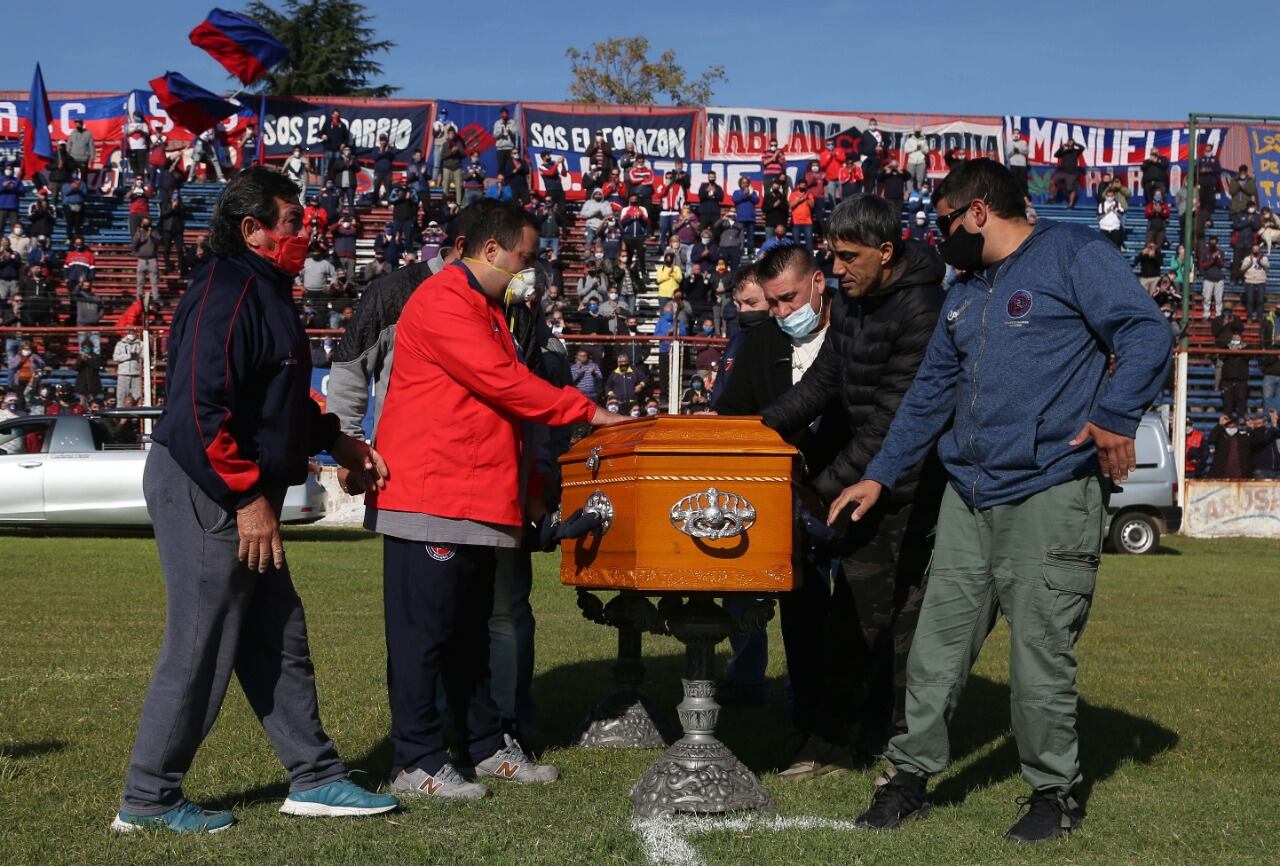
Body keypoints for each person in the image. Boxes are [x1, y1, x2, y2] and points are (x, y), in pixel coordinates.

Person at [830, 159, 1172, 843]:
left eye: (946, 220)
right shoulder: (965, 287)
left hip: (1049, 488)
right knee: (935, 649)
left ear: (979, 211)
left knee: (1039, 656)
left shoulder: (1074, 253)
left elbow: (1145, 331)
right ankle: (907, 779)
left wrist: (1113, 413)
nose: (940, 234)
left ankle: (1054, 794)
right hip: (968, 494)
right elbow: (929, 393)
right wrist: (879, 473)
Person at [113, 167, 398, 833]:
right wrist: (246, 497)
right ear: (253, 229)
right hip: (207, 487)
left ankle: (317, 777)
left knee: (277, 632)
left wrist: (337, 441)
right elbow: (201, 406)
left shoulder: (261, 289)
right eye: (293, 222)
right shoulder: (228, 291)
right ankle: (148, 797)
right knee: (202, 640)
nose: (305, 233)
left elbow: (272, 397)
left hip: (234, 487)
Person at [362, 201, 626, 799]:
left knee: (469, 638)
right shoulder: (442, 303)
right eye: (524, 259)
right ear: (489, 250)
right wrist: (588, 411)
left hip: (477, 499)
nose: (529, 270)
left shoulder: (489, 310)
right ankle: (416, 761)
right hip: (435, 495)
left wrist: (529, 492)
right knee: (423, 639)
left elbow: (507, 408)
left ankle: (481, 747)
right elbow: (506, 385)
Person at [761, 197, 947, 770]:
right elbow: (825, 381)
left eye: (848, 257)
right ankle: (852, 737)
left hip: (907, 485)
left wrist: (824, 487)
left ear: (886, 252)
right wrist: (758, 433)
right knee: (858, 621)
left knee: (886, 627)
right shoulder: (855, 298)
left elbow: (896, 419)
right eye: (833, 257)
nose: (837, 270)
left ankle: (871, 741)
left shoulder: (923, 309)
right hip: (866, 476)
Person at [132, 218, 160, 307]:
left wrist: (151, 235)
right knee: (140, 282)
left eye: (147, 223)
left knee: (154, 282)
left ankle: (156, 299)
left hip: (152, 259)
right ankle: (139, 298)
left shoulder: (154, 232)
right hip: (142, 260)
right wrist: (141, 235)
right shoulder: (138, 232)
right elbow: (134, 244)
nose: (146, 225)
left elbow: (158, 242)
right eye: (144, 223)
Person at [1051, 138, 1085, 208]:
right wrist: (1062, 147)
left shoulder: (1076, 151)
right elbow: (1056, 155)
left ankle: (1070, 204)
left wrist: (1074, 144)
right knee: (1052, 182)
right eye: (1068, 141)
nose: (1069, 142)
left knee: (1071, 189)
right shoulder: (1064, 151)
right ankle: (1051, 198)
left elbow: (1082, 148)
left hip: (1072, 173)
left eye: (1071, 141)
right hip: (1062, 172)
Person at [1199, 237, 1226, 319]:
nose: (1213, 244)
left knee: (1219, 299)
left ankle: (1218, 314)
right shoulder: (1205, 252)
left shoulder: (1220, 252)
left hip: (1218, 279)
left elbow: (1222, 265)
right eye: (1211, 242)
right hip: (1208, 279)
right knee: (1207, 298)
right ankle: (1206, 314)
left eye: (1214, 242)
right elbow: (1202, 265)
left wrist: (1217, 257)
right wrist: (1212, 259)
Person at [1241, 245, 1269, 322]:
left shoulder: (1264, 258)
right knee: (1250, 300)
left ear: (1259, 250)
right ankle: (1249, 317)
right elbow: (1242, 268)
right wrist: (1249, 261)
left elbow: (1267, 266)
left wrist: (1260, 261)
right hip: (1250, 281)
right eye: (1254, 249)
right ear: (1252, 250)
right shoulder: (1247, 258)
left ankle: (1259, 317)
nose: (1256, 251)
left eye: (1257, 249)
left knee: (1260, 300)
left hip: (1261, 281)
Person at [318, 110, 348, 180]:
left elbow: (346, 138)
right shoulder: (327, 124)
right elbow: (320, 134)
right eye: (335, 115)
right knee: (326, 168)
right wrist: (323, 136)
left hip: (338, 150)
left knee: (337, 167)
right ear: (332, 115)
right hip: (328, 149)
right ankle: (325, 185)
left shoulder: (343, 125)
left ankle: (336, 183)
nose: (336, 116)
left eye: (337, 115)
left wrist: (344, 144)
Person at [788, 181, 815, 253]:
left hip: (807, 222)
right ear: (798, 186)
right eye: (801, 185)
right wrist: (799, 200)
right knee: (796, 243)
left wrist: (806, 199)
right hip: (796, 223)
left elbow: (812, 206)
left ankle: (810, 259)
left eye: (804, 185)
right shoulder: (793, 194)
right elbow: (790, 205)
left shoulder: (809, 194)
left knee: (809, 242)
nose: (803, 187)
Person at [903, 128, 930, 194]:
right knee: (910, 178)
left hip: (921, 162)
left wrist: (921, 148)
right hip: (911, 161)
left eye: (919, 131)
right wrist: (915, 148)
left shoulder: (924, 140)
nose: (917, 133)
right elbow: (906, 150)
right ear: (914, 132)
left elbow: (927, 151)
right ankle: (910, 193)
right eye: (916, 131)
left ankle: (919, 193)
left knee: (920, 178)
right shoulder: (909, 140)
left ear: (920, 132)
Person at [493, 107, 518, 177]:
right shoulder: (497, 123)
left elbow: (515, 133)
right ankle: (500, 182)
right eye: (503, 113)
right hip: (500, 148)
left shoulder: (512, 122)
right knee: (501, 167)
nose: (504, 115)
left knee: (509, 166)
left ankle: (509, 183)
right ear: (500, 114)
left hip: (510, 148)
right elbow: (495, 135)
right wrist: (501, 132)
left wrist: (509, 131)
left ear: (508, 114)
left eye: (505, 113)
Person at [1006, 129, 1029, 200]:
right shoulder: (1009, 143)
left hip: (1022, 164)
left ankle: (1025, 197)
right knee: (1014, 181)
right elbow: (1007, 155)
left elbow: (1026, 152)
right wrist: (1013, 151)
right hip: (1013, 164)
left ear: (1019, 134)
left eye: (1017, 133)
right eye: (1014, 133)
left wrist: (1019, 150)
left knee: (1023, 181)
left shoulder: (1023, 142)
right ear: (1012, 134)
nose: (1016, 135)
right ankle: (1014, 196)